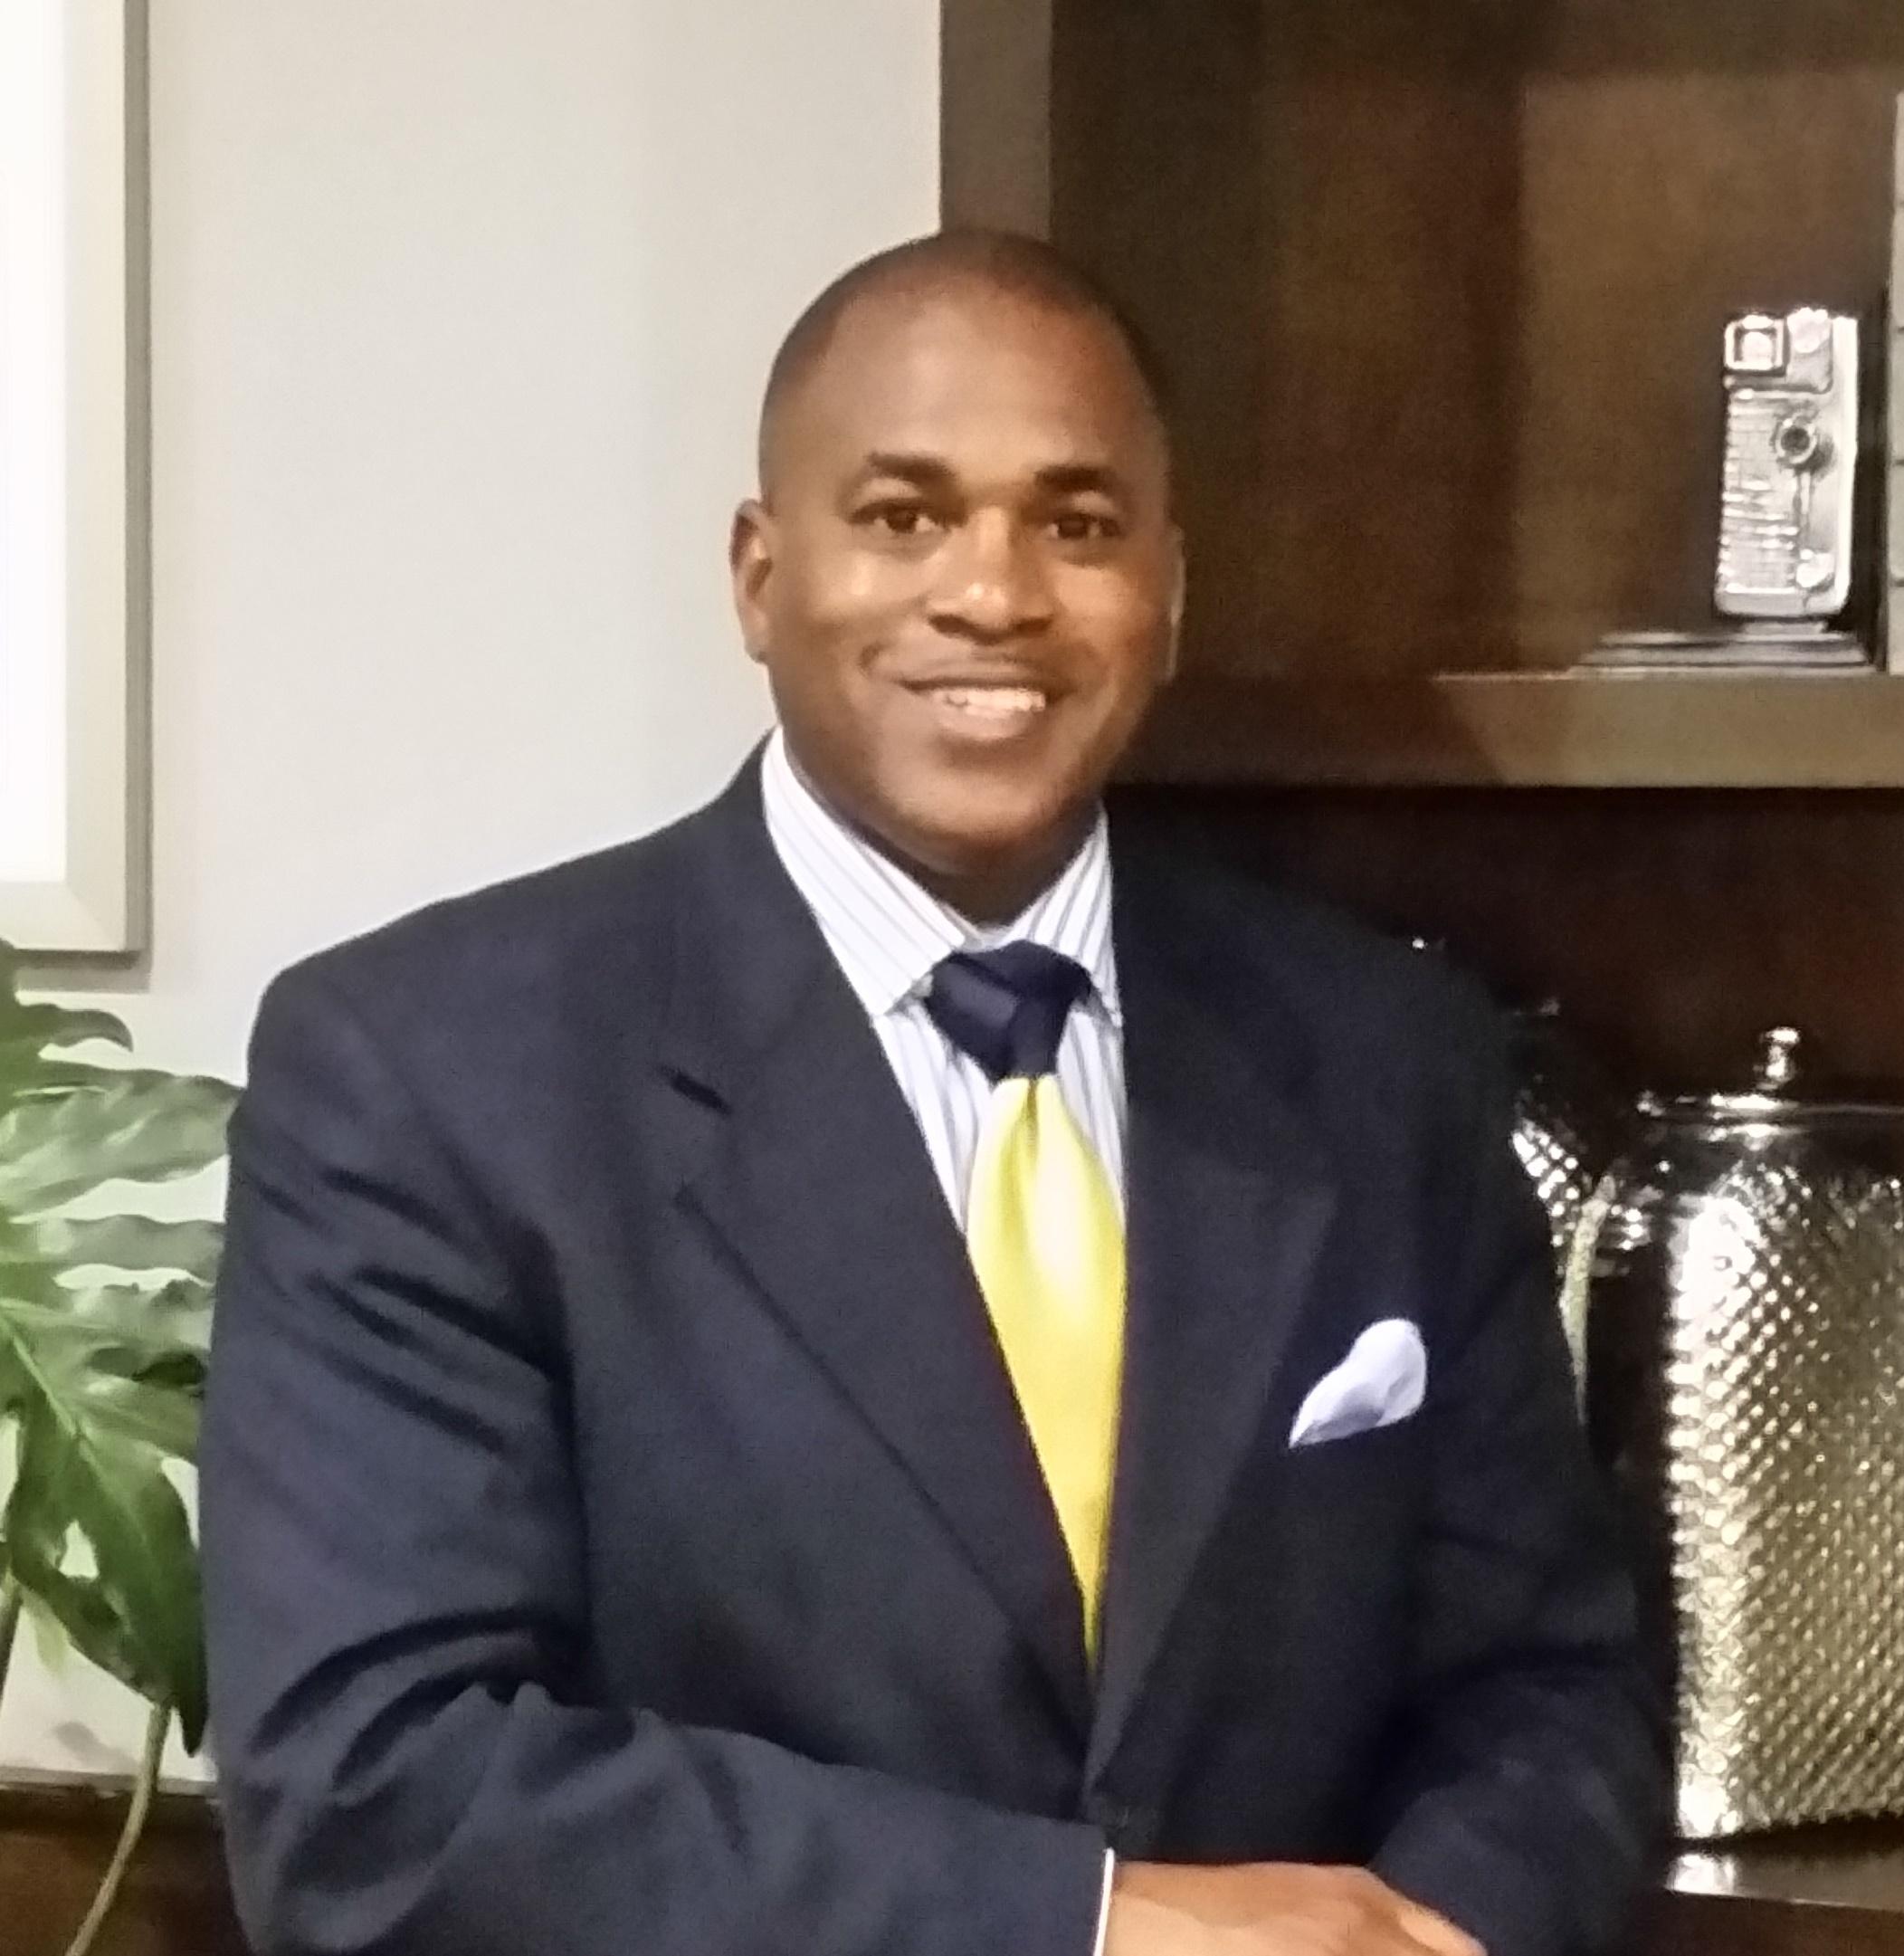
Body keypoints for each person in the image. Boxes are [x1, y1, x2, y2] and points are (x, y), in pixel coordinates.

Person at [201, 229, 1667, 1956]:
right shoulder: (424, 1072)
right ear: (759, 573)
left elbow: (1554, 1686)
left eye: (1079, 522)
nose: (995, 593)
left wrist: (1442, 1936)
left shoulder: (1385, 1056)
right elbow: (382, 1795)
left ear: (1171, 592)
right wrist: (1098, 1931)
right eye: (903, 516)